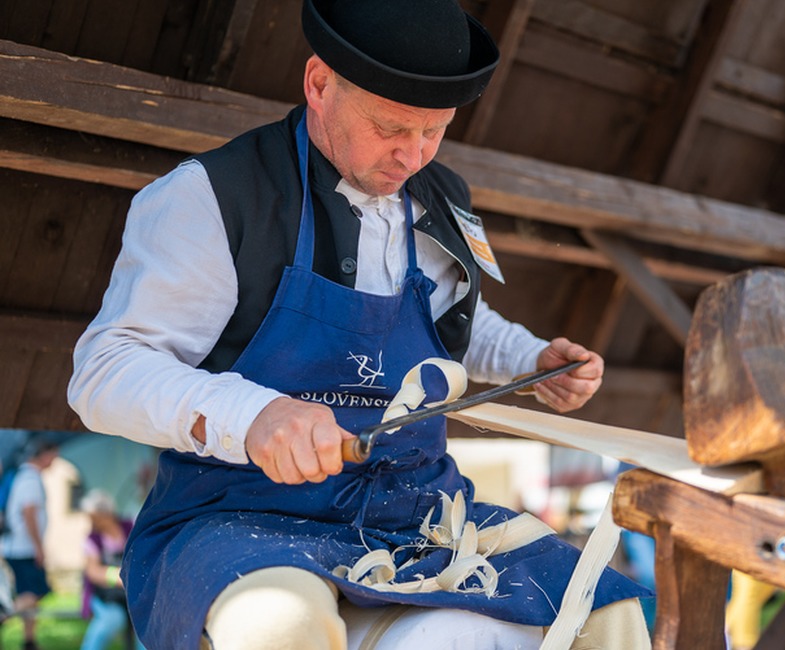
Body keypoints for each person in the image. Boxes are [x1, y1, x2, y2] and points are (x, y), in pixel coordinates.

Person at [66, 1, 651, 648]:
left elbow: (452, 317)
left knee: (605, 609)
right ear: (319, 84)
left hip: (417, 513)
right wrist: (253, 417)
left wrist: (530, 359)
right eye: (391, 127)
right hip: (242, 517)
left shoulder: (441, 196)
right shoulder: (213, 197)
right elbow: (105, 370)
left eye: (435, 132)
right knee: (279, 624)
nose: (414, 155)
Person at [1, 438, 60, 650]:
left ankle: (29, 640)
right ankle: (5, 614)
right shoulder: (30, 478)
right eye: (55, 453)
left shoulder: (23, 475)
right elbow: (29, 513)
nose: (56, 459)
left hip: (18, 547)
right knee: (34, 592)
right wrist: (39, 547)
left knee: (30, 593)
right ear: (44, 454)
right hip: (23, 549)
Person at [79, 489, 145, 650]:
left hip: (136, 593)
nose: (91, 521)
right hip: (107, 596)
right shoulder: (92, 539)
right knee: (111, 620)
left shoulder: (131, 525)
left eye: (93, 516)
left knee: (145, 625)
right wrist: (117, 576)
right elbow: (93, 571)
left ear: (105, 514)